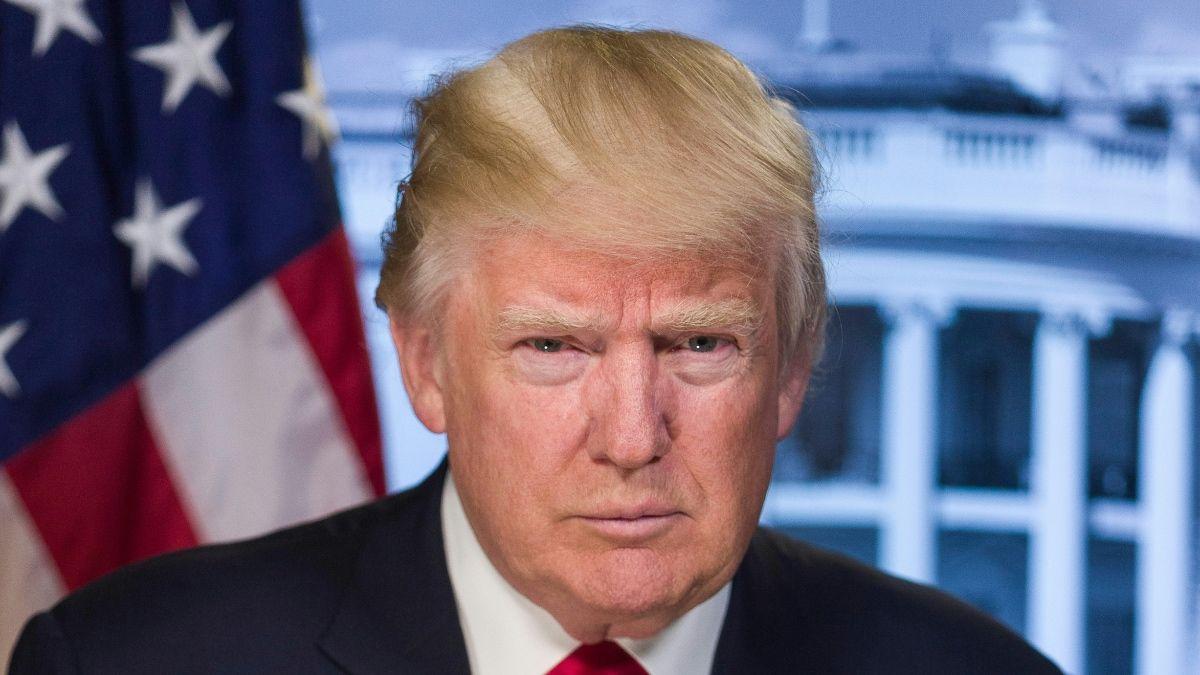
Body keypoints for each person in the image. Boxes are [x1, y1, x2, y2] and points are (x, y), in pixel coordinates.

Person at [9, 27, 1061, 674]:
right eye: (555, 346)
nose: (631, 435)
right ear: (424, 363)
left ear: (790, 371)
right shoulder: (131, 663)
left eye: (700, 343)